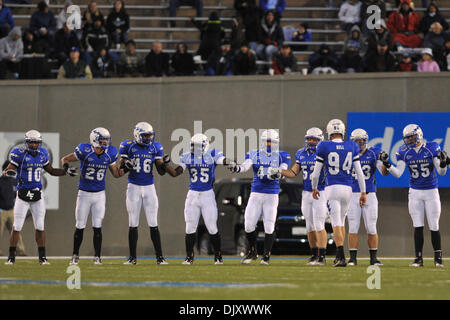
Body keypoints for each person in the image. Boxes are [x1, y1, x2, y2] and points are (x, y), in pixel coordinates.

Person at [381, 124, 447, 267]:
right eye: (407, 138)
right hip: (415, 192)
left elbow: (441, 172)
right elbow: (398, 173)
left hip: (431, 191)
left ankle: (438, 259)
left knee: (434, 225)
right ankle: (418, 259)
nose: (410, 140)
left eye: (412, 137)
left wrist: (443, 163)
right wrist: (387, 164)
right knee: (418, 226)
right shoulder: (404, 151)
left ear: (419, 135)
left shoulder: (432, 147)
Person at [163, 134, 233, 265]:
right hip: (193, 195)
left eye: (198, 146)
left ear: (205, 145)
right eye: (193, 146)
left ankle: (218, 257)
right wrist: (166, 165)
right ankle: (189, 257)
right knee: (190, 228)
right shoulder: (187, 156)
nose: (195, 149)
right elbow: (175, 173)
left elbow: (223, 160)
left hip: (207, 195)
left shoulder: (212, 153)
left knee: (212, 227)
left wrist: (230, 162)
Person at [4, 130, 70, 265]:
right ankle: (11, 257)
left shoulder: (43, 154)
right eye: (32, 142)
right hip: (22, 195)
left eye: (36, 142)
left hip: (37, 195)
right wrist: (8, 172)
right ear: (26, 143)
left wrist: (65, 171)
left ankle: (42, 257)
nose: (34, 145)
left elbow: (51, 170)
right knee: (17, 226)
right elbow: (8, 170)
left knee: (40, 226)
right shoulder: (19, 154)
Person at [61, 127, 125, 265]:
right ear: (95, 139)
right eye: (102, 140)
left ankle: (97, 257)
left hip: (100, 195)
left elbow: (116, 174)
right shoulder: (85, 150)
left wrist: (126, 169)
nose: (105, 142)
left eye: (106, 140)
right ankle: (75, 255)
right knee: (80, 225)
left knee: (97, 226)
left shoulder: (110, 153)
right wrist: (67, 169)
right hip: (84, 193)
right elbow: (65, 159)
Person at [228, 129, 291, 265]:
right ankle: (253, 252)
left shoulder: (282, 155)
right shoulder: (254, 153)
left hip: (272, 194)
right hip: (256, 193)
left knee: (269, 225)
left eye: (271, 142)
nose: (268, 144)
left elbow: (284, 170)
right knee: (248, 225)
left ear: (276, 143)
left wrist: (277, 173)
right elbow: (245, 167)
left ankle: (266, 256)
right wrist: (236, 168)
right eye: (266, 141)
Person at [310, 119, 366, 267]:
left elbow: (316, 173)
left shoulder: (323, 145)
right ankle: (339, 256)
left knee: (335, 222)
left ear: (329, 132)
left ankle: (340, 256)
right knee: (341, 222)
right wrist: (363, 192)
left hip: (332, 188)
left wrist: (314, 187)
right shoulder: (352, 145)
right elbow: (359, 173)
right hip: (348, 189)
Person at [118, 122, 170, 265]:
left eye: (150, 135)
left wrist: (165, 164)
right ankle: (132, 258)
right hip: (133, 187)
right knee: (133, 222)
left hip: (149, 188)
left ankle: (160, 257)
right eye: (145, 136)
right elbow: (120, 167)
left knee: (153, 223)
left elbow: (160, 171)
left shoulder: (155, 147)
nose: (148, 138)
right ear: (137, 135)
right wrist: (126, 165)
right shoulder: (127, 146)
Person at [277, 128, 328, 265]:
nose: (311, 141)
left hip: (320, 192)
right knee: (309, 226)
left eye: (314, 139)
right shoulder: (301, 153)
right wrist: (279, 172)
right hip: (306, 192)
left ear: (320, 140)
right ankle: (313, 254)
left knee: (319, 224)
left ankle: (322, 256)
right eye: (309, 139)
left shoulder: (324, 152)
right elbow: (293, 173)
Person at [347, 129, 389, 266]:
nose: (359, 144)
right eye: (356, 141)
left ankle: (373, 258)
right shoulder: (348, 154)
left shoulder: (373, 153)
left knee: (371, 227)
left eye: (361, 141)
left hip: (370, 194)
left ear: (366, 140)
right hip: (352, 194)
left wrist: (385, 163)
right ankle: (352, 259)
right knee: (353, 227)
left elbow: (383, 173)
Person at [0, 160, 26, 257]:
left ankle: (21, 251)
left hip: (11, 210)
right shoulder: (0, 182)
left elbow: (18, 195)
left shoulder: (14, 181)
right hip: (1, 211)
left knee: (16, 231)